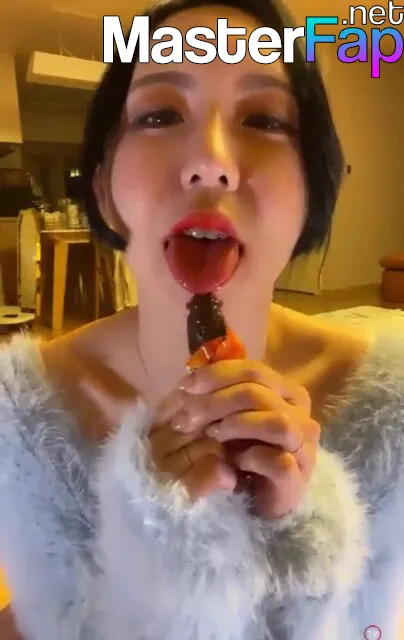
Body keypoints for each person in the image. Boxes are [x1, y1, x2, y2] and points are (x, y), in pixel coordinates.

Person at [0, 0, 403, 638]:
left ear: (312, 191)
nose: (211, 160)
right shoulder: (19, 422)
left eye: (265, 119)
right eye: (160, 114)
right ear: (103, 187)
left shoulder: (391, 412)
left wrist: (302, 538)